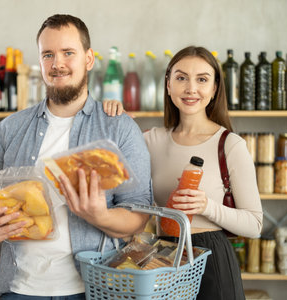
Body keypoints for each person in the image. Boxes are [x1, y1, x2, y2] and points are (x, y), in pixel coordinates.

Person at [0, 14, 152, 299]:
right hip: (17, 289)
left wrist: (100, 216)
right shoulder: (10, 129)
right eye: (48, 54)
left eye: (68, 53)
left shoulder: (119, 127)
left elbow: (139, 214)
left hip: (93, 287)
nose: (57, 63)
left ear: (89, 59)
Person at [103, 46, 263, 300]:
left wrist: (206, 206)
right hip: (163, 257)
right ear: (168, 85)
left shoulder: (230, 145)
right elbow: (109, 165)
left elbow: (254, 225)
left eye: (202, 79)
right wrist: (116, 118)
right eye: (181, 78)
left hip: (212, 259)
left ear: (214, 88)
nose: (191, 88)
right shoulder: (150, 140)